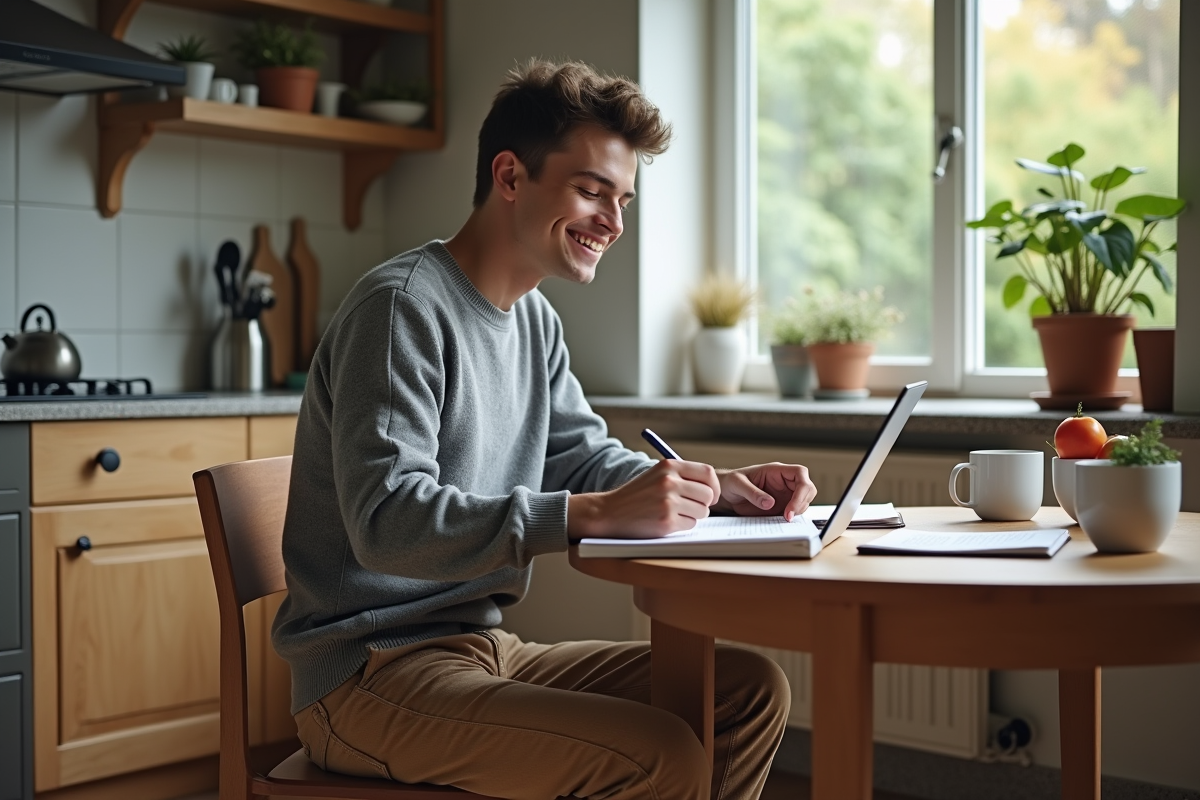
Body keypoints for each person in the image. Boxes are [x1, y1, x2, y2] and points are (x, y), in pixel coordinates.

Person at [274, 59, 819, 800]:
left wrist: (714, 489)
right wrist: (584, 516)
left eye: (623, 199)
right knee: (660, 757)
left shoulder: (534, 321)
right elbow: (385, 521)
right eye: (592, 191)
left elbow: (582, 457)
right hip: (368, 675)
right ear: (510, 177)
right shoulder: (401, 309)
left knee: (748, 693)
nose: (614, 222)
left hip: (485, 647)